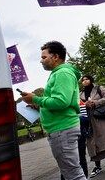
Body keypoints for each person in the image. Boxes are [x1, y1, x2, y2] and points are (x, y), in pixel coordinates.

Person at [21, 41, 86, 180]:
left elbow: (61, 102)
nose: (40, 61)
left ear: (55, 57)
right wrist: (38, 105)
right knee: (71, 173)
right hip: (61, 129)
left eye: (44, 57)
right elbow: (57, 101)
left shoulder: (62, 73)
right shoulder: (58, 73)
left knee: (74, 175)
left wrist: (36, 99)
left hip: (62, 129)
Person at [80, 75, 105, 178]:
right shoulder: (80, 93)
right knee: (93, 143)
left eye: (87, 79)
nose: (85, 81)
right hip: (89, 121)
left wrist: (95, 103)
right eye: (83, 80)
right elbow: (79, 105)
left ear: (91, 80)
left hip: (101, 118)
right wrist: (85, 105)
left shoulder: (99, 88)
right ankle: (97, 166)